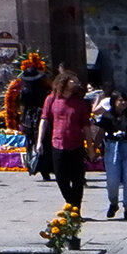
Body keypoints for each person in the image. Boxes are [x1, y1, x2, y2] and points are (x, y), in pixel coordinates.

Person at [35, 71, 92, 213]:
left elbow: (86, 126)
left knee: (78, 179)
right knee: (61, 178)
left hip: (76, 144)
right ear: (64, 81)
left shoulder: (79, 102)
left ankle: (75, 209)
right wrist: (39, 141)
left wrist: (90, 146)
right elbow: (45, 120)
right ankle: (70, 203)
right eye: (72, 80)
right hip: (58, 143)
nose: (75, 83)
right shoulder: (52, 99)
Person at [97, 91, 127, 219]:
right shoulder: (107, 116)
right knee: (112, 180)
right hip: (113, 148)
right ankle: (113, 203)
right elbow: (100, 133)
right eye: (120, 100)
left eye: (125, 100)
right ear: (113, 101)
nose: (123, 102)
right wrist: (93, 149)